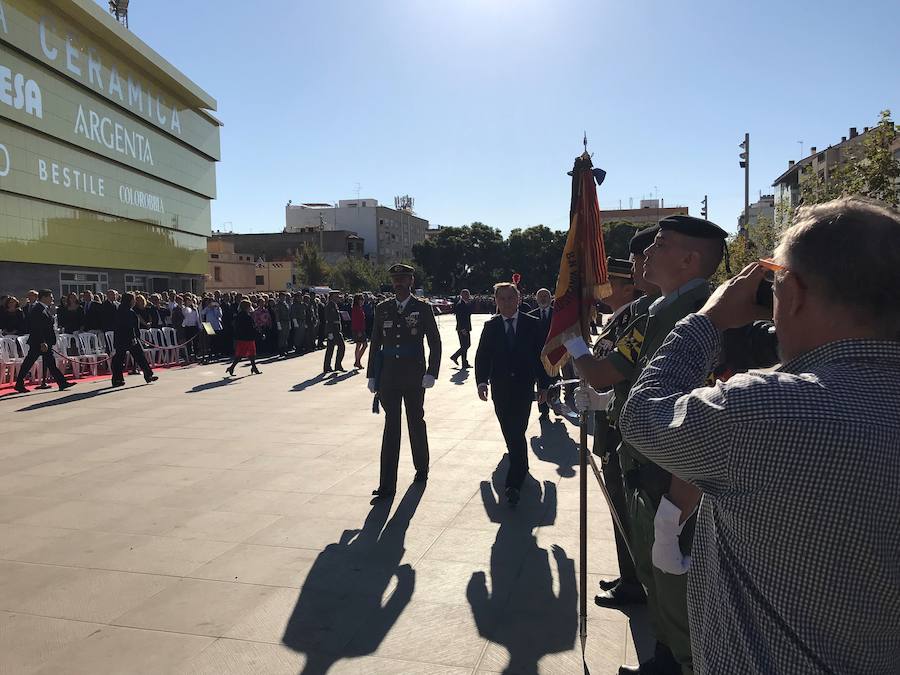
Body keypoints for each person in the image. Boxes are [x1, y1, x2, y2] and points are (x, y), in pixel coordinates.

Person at [620, 197, 900, 674]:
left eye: (776, 282)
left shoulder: (767, 409)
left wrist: (705, 322)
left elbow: (645, 414)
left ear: (794, 295)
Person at [564, 217, 727, 675]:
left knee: (680, 588)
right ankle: (664, 659)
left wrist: (575, 344)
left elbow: (706, 414)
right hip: (644, 461)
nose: (647, 252)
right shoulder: (658, 310)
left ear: (690, 260)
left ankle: (683, 663)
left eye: (661, 243)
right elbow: (611, 373)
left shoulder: (708, 315)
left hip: (675, 476)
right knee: (659, 581)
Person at [367, 264, 442, 500]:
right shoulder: (383, 308)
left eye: (403, 278)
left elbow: (435, 342)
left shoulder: (422, 308)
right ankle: (387, 484)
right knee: (391, 427)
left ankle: (422, 466)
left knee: (415, 421)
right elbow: (375, 342)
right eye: (395, 279)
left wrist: (431, 372)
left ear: (411, 281)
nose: (398, 282)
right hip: (389, 375)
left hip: (414, 374)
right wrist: (371, 374)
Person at [475, 282, 550, 505]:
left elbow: (541, 357)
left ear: (519, 299)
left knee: (517, 430)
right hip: (500, 389)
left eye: (511, 298)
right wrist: (481, 382)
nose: (507, 303)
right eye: (502, 299)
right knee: (510, 431)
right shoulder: (491, 326)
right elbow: (482, 357)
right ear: (496, 301)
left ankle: (513, 482)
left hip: (524, 389)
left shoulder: (532, 324)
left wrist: (544, 385)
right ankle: (520, 466)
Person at [13, 290, 73, 393]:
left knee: (49, 362)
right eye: (50, 297)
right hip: (39, 342)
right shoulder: (38, 309)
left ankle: (62, 382)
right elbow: (36, 328)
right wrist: (42, 342)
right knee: (29, 362)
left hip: (44, 342)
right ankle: (19, 383)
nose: (52, 299)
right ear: (44, 298)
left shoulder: (44, 308)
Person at [111, 293, 157, 387]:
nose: (134, 301)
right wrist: (134, 337)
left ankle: (118, 379)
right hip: (128, 339)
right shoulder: (126, 311)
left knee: (125, 359)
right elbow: (129, 327)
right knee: (132, 357)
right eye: (133, 300)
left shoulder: (122, 310)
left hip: (123, 339)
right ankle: (118, 379)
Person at [529, 287, 555, 420]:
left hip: (554, 355)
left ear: (551, 298)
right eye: (540, 296)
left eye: (546, 296)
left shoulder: (557, 314)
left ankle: (554, 402)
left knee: (554, 380)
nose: (543, 299)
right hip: (537, 355)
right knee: (540, 382)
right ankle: (543, 409)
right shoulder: (531, 315)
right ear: (536, 299)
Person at [227, 299, 261, 376]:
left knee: (249, 354)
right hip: (246, 337)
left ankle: (253, 367)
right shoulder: (247, 317)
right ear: (247, 307)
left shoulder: (239, 316)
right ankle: (232, 367)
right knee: (243, 355)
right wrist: (258, 333)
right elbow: (251, 328)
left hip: (242, 337)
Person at [450, 289, 474, 369]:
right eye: (466, 295)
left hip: (466, 327)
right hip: (462, 328)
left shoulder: (466, 304)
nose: (468, 296)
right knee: (466, 345)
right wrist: (462, 329)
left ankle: (464, 363)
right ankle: (455, 356)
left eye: (468, 294)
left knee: (465, 346)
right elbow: (459, 318)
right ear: (462, 295)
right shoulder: (460, 305)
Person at [323, 290, 346, 373]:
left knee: (331, 348)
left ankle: (329, 366)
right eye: (336, 296)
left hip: (336, 329)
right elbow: (328, 320)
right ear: (332, 296)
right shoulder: (329, 305)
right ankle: (336, 365)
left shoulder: (334, 305)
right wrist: (329, 332)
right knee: (340, 347)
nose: (338, 298)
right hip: (333, 330)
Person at [351, 293, 368, 369]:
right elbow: (356, 321)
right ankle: (357, 361)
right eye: (361, 299)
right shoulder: (356, 308)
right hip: (358, 329)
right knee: (363, 345)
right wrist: (359, 331)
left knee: (359, 345)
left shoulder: (359, 308)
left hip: (361, 329)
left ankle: (357, 361)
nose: (362, 301)